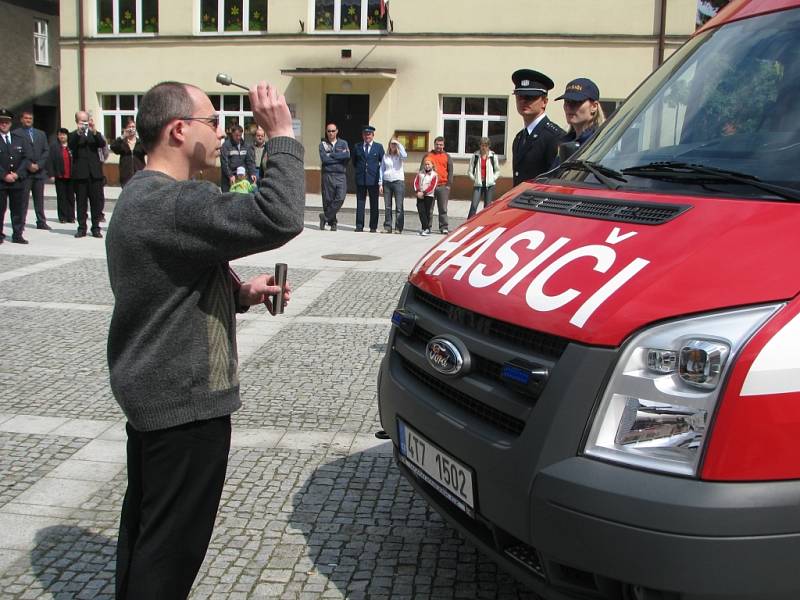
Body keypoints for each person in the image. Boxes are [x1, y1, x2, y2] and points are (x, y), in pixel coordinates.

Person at [106, 80, 304, 600]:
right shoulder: (175, 201)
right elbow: (280, 216)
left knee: (147, 533)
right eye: (211, 122)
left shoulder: (140, 195)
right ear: (178, 130)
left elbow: (168, 284)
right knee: (170, 553)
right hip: (185, 403)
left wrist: (240, 293)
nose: (220, 132)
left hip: (155, 393)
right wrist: (281, 135)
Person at [511, 68, 564, 186]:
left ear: (544, 102)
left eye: (530, 97)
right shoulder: (519, 138)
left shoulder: (554, 137)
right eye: (520, 96)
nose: (523, 101)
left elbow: (554, 182)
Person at [69, 110, 107, 238]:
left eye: (86, 121)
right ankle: (81, 228)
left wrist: (94, 130)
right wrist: (79, 133)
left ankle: (96, 227)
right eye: (82, 122)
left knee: (96, 202)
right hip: (80, 174)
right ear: (77, 122)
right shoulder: (73, 135)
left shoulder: (94, 134)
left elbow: (102, 144)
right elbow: (71, 145)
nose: (84, 124)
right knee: (81, 203)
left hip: (94, 174)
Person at [14, 111, 50, 230]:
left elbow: (46, 151)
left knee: (39, 199)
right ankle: (21, 223)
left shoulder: (41, 134)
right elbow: (15, 153)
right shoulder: (15, 134)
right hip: (25, 172)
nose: (28, 120)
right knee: (23, 200)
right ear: (21, 120)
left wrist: (39, 165)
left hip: (39, 173)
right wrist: (28, 164)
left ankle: (41, 221)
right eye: (26, 118)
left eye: (30, 118)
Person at [0, 108, 32, 244]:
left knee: (18, 209)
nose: (4, 124)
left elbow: (26, 158)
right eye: (1, 122)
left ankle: (17, 234)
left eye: (6, 122)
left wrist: (17, 174)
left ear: (11, 123)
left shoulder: (19, 139)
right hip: (1, 181)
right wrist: (4, 175)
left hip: (17, 181)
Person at [555, 77, 605, 160]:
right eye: (566, 102)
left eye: (576, 102)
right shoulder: (566, 141)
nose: (569, 107)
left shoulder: (600, 141)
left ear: (594, 106)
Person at [352, 125, 384, 232]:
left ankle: (373, 227)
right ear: (362, 135)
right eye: (365, 134)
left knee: (374, 204)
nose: (367, 136)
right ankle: (359, 226)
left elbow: (382, 162)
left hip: (373, 179)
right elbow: (354, 162)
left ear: (373, 135)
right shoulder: (357, 146)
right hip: (361, 179)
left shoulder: (378, 147)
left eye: (369, 134)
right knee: (360, 203)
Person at [318, 122, 349, 231]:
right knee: (328, 199)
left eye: (333, 131)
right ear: (326, 132)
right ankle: (333, 222)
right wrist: (338, 158)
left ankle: (325, 217)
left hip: (340, 175)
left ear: (337, 131)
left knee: (340, 197)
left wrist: (332, 155)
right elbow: (325, 159)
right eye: (329, 131)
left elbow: (347, 155)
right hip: (328, 175)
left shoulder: (343, 143)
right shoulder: (323, 144)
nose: (331, 133)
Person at [420, 137, 453, 234]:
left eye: (441, 144)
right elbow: (422, 170)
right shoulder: (428, 155)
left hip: (443, 186)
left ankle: (443, 227)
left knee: (443, 208)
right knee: (429, 208)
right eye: (437, 144)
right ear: (434, 145)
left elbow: (450, 171)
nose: (439, 146)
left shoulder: (447, 156)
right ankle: (427, 227)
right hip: (430, 187)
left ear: (444, 145)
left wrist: (448, 185)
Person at [47, 127, 76, 223]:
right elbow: (50, 161)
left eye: (64, 134)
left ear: (67, 136)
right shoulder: (54, 147)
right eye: (60, 134)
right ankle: (62, 217)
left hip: (71, 175)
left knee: (71, 197)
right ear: (58, 136)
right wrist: (51, 174)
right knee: (61, 197)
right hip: (59, 175)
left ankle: (71, 217)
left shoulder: (72, 146)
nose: (62, 136)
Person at [467, 137, 500, 218]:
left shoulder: (493, 156)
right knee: (474, 206)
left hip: (489, 185)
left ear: (489, 146)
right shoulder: (475, 156)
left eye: (485, 145)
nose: (483, 147)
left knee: (487, 207)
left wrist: (493, 179)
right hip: (478, 184)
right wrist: (475, 179)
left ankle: (484, 225)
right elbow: (470, 171)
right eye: (482, 145)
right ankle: (469, 224)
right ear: (480, 145)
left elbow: (497, 171)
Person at [379, 138, 407, 234]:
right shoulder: (385, 156)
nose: (393, 146)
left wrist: (399, 144)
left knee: (399, 207)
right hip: (387, 182)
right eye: (392, 144)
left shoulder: (400, 156)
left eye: (395, 144)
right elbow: (382, 169)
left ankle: (398, 227)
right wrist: (380, 183)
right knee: (387, 206)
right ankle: (388, 227)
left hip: (398, 181)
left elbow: (405, 155)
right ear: (389, 145)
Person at [110, 118, 147, 186]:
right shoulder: (122, 143)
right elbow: (113, 147)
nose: (131, 129)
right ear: (126, 129)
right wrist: (123, 136)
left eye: (133, 127)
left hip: (139, 175)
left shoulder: (140, 143)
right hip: (126, 176)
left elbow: (149, 149)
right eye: (129, 127)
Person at [220, 123, 248, 192]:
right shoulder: (226, 145)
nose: (238, 137)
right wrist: (230, 175)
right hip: (228, 178)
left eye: (240, 135)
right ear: (232, 134)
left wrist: (251, 173)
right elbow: (224, 162)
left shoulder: (245, 145)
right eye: (236, 135)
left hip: (241, 178)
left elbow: (249, 161)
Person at [413, 158, 438, 236]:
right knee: (421, 210)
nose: (427, 166)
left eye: (428, 164)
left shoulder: (434, 175)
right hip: (419, 194)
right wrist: (417, 191)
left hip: (428, 195)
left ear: (432, 165)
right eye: (425, 164)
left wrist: (424, 193)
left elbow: (432, 186)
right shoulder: (420, 173)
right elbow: (416, 182)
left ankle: (426, 229)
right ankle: (425, 228)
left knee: (427, 212)